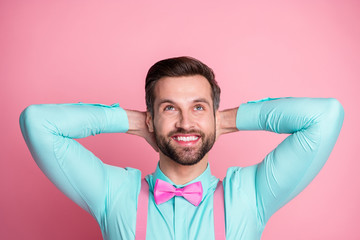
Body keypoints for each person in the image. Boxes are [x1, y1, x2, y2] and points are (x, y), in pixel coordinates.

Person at [20, 56, 344, 240]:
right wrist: (134, 121)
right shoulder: (114, 193)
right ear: (151, 118)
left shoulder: (250, 195)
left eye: (199, 108)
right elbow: (38, 123)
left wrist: (225, 120)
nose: (186, 123)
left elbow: (325, 116)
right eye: (170, 108)